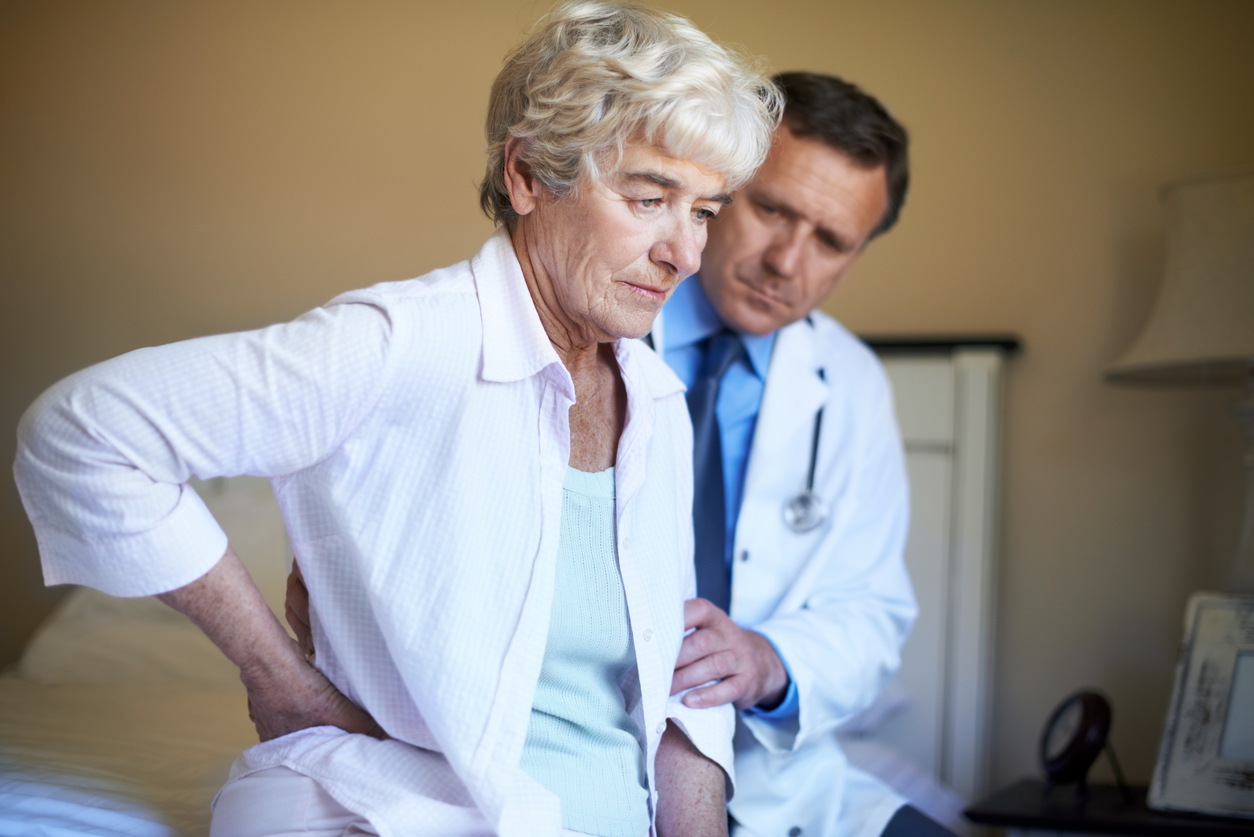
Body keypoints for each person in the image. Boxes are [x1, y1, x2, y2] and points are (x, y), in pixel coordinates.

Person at [12, 4, 783, 835]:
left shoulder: (656, 401)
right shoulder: (402, 342)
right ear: (526, 176)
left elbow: (679, 690)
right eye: (649, 198)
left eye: (703, 210)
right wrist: (278, 674)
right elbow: (82, 430)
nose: (688, 252)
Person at [656, 72, 952, 837]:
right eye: (772, 209)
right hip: (601, 752)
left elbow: (871, 610)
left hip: (777, 779)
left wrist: (768, 661)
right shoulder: (604, 319)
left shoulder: (850, 383)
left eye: (830, 240)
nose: (787, 261)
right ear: (717, 186)